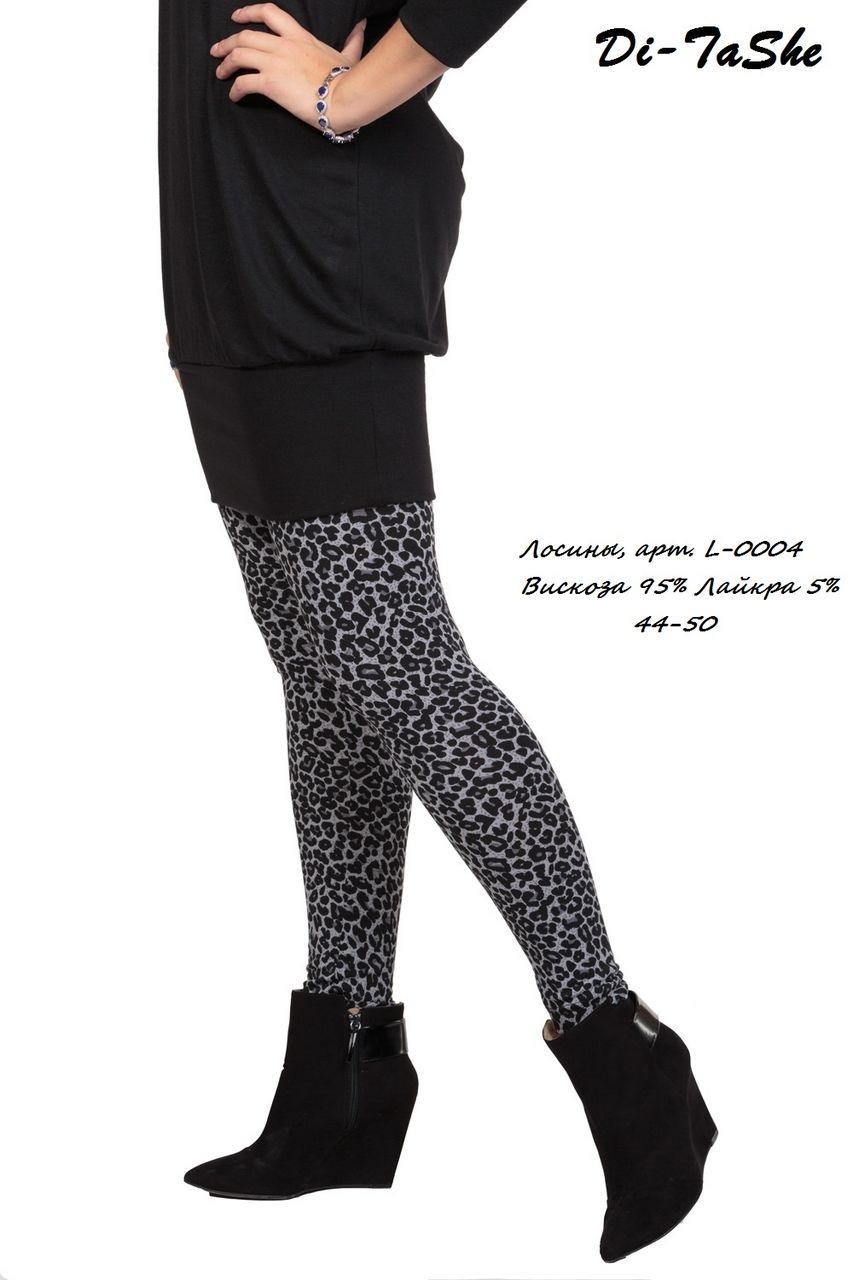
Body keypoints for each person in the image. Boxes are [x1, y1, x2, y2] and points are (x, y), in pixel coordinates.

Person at [158, 1, 717, 1261]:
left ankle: (619, 1044)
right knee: (327, 676)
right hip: (227, 240)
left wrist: (353, 90)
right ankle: (346, 1074)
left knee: (401, 669)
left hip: (315, 232)